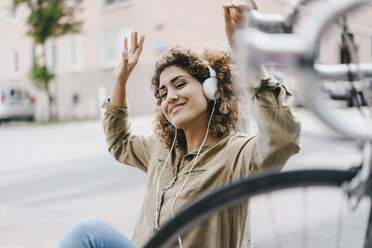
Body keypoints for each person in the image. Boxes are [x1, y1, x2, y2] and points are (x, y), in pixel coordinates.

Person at [58, 1, 301, 248]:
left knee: (87, 231)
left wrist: (245, 50)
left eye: (180, 84)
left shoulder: (234, 154)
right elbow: (119, 143)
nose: (170, 97)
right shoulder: (161, 150)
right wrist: (119, 81)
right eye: (163, 93)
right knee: (87, 233)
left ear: (212, 90)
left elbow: (281, 140)